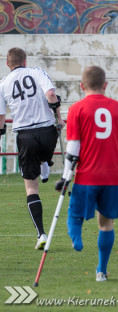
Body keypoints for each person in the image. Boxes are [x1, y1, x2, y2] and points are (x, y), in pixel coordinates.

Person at [54, 66, 118, 282]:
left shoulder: (77, 109)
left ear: (82, 87)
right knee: (106, 224)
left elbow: (73, 147)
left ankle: (77, 239)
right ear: (105, 85)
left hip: (86, 177)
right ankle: (101, 270)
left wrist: (66, 176)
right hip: (112, 178)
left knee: (75, 215)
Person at [0, 47, 64, 250]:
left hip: (25, 135)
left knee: (31, 188)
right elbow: (51, 95)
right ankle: (45, 161)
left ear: (8, 64)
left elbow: (1, 121)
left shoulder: (3, 84)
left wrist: (1, 130)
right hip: (47, 132)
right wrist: (59, 118)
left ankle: (41, 234)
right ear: (25, 61)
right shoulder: (37, 72)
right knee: (44, 155)